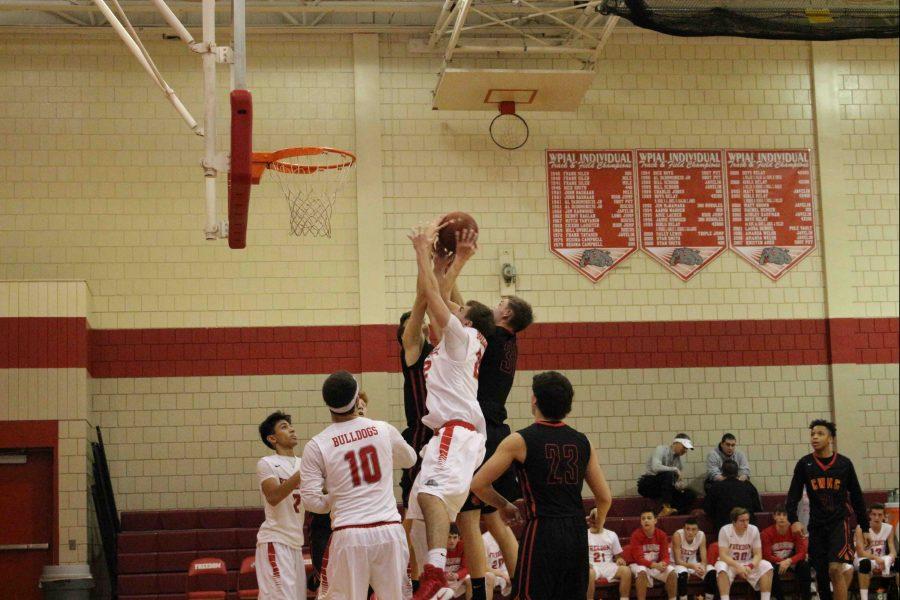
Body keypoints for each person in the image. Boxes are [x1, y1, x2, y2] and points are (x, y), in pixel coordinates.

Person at [405, 224, 495, 600]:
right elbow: (438, 294)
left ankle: (435, 573)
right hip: (454, 436)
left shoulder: (462, 338)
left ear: (466, 321)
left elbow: (433, 297)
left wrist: (423, 252)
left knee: (429, 495)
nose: (452, 304)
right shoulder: (458, 342)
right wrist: (452, 263)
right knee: (416, 518)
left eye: (459, 308)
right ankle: (431, 585)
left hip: (455, 433)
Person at [471, 370, 613, 600]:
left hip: (543, 531)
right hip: (576, 531)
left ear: (535, 400)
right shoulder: (582, 441)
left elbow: (478, 484)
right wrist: (601, 517)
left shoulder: (520, 440)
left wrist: (504, 505)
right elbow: (604, 497)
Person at [299, 371, 417, 600]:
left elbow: (311, 501)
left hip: (349, 534)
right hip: (389, 531)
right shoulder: (383, 429)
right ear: (356, 398)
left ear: (327, 403)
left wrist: (338, 498)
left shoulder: (317, 444)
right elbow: (410, 459)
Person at [457, 289, 534, 599]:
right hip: (496, 426)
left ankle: (479, 590)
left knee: (469, 517)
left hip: (482, 428)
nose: (495, 304)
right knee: (492, 518)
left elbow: (466, 312)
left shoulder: (493, 334)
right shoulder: (509, 342)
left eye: (501, 304)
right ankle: (520, 583)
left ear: (507, 315)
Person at [785, 419, 869, 600]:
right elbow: (793, 495)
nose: (815, 437)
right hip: (816, 524)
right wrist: (794, 519)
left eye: (820, 434)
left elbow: (856, 496)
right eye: (812, 434)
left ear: (830, 438)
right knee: (822, 575)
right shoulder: (805, 464)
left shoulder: (844, 464)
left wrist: (865, 526)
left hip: (839, 522)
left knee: (835, 569)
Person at [306, 392, 371, 593]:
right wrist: (340, 492)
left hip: (364, 525)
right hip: (328, 524)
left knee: (366, 587)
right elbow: (315, 490)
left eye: (363, 406)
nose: (360, 409)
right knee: (332, 587)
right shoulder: (327, 443)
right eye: (356, 405)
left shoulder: (375, 439)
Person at [255, 411, 306, 600]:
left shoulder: (302, 463)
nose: (292, 429)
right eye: (284, 427)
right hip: (275, 542)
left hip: (296, 545)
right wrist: (304, 472)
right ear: (272, 438)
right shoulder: (267, 463)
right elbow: (274, 496)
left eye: (290, 426)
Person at [715, 507, 773, 600]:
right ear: (734, 522)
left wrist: (750, 566)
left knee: (767, 565)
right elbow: (723, 555)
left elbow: (758, 554)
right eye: (742, 521)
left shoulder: (754, 530)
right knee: (721, 566)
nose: (746, 523)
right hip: (730, 563)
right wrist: (738, 567)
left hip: (747, 563)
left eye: (747, 520)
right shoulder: (725, 530)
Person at [638, 434, 697, 516]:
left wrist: (679, 485)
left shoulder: (679, 462)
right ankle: (666, 507)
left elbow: (675, 481)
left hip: (665, 488)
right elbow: (655, 467)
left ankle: (675, 512)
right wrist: (674, 469)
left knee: (690, 493)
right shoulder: (661, 449)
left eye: (687, 449)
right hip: (649, 484)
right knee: (668, 474)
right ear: (675, 443)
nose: (685, 450)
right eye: (684, 447)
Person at [761, 505, 811, 600]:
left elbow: (802, 552)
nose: (781, 517)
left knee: (805, 566)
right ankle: (780, 598)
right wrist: (783, 561)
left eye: (784, 515)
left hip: (791, 562)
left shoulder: (795, 531)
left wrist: (788, 561)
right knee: (769, 568)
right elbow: (766, 555)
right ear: (774, 517)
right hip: (776, 562)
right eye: (778, 515)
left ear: (789, 517)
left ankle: (806, 597)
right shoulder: (766, 533)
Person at [630, 509, 678, 600]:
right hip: (639, 564)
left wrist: (663, 563)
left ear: (655, 520)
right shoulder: (636, 535)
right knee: (641, 571)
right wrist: (655, 565)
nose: (646, 520)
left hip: (656, 565)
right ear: (640, 522)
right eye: (643, 519)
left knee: (672, 572)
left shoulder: (662, 535)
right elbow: (638, 559)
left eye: (649, 518)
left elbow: (665, 556)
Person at [703, 459, 763, 532]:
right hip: (747, 527)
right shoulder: (747, 486)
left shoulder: (716, 487)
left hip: (724, 528)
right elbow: (758, 508)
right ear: (737, 472)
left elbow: (707, 509)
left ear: (722, 473)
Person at [587, 507, 632, 600]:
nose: (596, 519)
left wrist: (620, 559)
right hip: (592, 567)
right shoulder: (584, 534)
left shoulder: (611, 534)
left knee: (626, 571)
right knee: (588, 573)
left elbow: (618, 556)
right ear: (590, 519)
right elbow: (578, 556)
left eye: (599, 516)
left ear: (604, 518)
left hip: (608, 565)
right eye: (594, 517)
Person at [853, 503, 896, 600]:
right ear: (869, 515)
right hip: (863, 559)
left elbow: (892, 548)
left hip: (881, 560)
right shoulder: (860, 528)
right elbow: (860, 552)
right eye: (874, 514)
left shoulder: (889, 528)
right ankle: (864, 598)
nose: (877, 517)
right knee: (865, 563)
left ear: (884, 516)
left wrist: (891, 557)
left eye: (880, 515)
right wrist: (877, 559)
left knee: (897, 562)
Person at [671, 517, 716, 600]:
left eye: (693, 529)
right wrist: (693, 566)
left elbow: (704, 558)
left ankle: (709, 598)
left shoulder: (701, 535)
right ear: (683, 528)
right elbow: (678, 561)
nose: (690, 532)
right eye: (687, 529)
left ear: (698, 530)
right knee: (683, 574)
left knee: (712, 572)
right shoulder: (677, 535)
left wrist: (703, 567)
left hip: (692, 564)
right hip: (676, 564)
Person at [481, 530, 511, 600]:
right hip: (491, 573)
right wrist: (503, 575)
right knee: (489, 577)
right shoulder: (484, 539)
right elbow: (483, 566)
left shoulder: (508, 536)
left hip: (505, 572)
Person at [445, 524, 472, 599]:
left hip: (457, 576)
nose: (452, 541)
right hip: (443, 577)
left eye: (454, 537)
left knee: (470, 580)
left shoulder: (463, 546)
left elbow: (466, 568)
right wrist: (445, 575)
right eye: (449, 537)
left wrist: (457, 575)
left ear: (459, 538)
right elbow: (435, 569)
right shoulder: (440, 546)